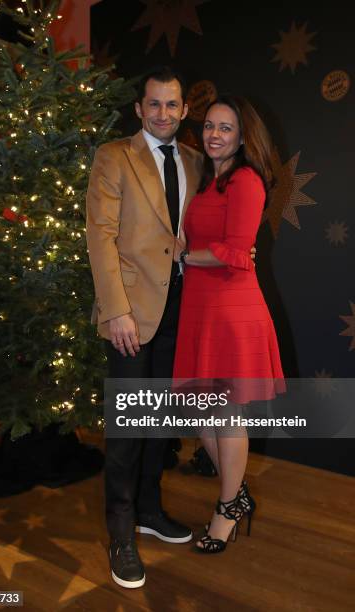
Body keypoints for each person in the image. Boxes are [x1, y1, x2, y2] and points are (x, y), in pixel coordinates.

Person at [86, 66, 203, 588]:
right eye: (153, 104)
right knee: (128, 429)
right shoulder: (114, 156)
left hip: (182, 309)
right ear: (139, 109)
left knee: (160, 424)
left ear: (184, 109)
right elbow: (100, 237)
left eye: (171, 105)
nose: (162, 114)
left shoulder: (197, 162)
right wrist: (115, 310)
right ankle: (121, 531)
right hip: (130, 312)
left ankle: (151, 511)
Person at [173, 95, 285, 553]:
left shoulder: (246, 180)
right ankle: (237, 496)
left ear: (242, 136)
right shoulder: (204, 179)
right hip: (200, 306)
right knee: (202, 412)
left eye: (225, 128)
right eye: (210, 126)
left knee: (225, 412)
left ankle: (225, 509)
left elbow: (238, 253)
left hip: (232, 309)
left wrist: (179, 254)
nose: (214, 135)